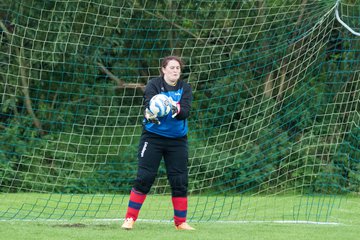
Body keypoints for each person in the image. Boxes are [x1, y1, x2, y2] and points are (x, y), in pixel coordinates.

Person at [121, 56, 194, 230]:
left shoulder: (185, 88)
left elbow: (185, 112)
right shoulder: (154, 85)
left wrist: (174, 107)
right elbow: (149, 105)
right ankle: (130, 219)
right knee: (144, 177)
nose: (175, 70)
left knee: (179, 180)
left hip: (177, 141)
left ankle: (181, 222)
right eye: (172, 67)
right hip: (153, 138)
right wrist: (150, 113)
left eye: (178, 68)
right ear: (163, 70)